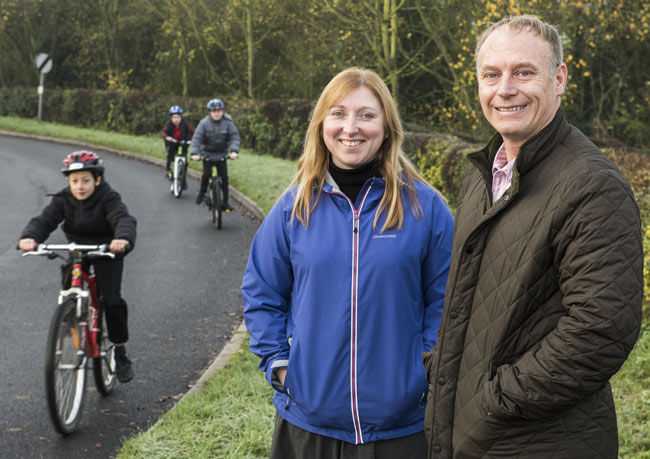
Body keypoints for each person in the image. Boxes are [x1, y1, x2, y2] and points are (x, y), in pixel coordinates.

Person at [423, 15, 643, 458]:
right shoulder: (482, 174)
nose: (505, 88)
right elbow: (473, 300)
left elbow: (600, 332)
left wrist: (493, 401)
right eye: (491, 75)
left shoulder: (591, 185)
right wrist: (442, 370)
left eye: (523, 72)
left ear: (558, 79)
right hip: (473, 434)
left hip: (537, 441)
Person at [242, 67, 454, 459]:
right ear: (322, 123)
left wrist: (422, 371)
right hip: (309, 421)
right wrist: (280, 364)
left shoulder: (426, 208)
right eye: (338, 113)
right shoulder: (294, 208)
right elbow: (262, 292)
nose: (350, 128)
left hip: (403, 427)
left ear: (387, 127)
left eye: (366, 115)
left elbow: (448, 301)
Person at [19, 151, 138, 383]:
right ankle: (72, 319)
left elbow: (123, 218)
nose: (80, 186)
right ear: (68, 182)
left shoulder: (108, 197)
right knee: (68, 290)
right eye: (74, 181)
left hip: (107, 249)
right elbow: (45, 220)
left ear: (97, 180)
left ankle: (119, 350)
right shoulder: (64, 199)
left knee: (112, 300)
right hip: (78, 249)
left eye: (85, 180)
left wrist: (122, 238)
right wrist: (30, 237)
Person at [190, 98, 240, 211]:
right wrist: (194, 153)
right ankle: (202, 193)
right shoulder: (204, 123)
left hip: (222, 154)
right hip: (207, 154)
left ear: (222, 112)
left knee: (225, 178)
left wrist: (233, 151)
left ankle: (225, 202)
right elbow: (197, 139)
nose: (217, 114)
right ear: (210, 112)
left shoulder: (228, 122)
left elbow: (234, 137)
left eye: (219, 111)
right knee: (206, 175)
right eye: (214, 111)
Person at [160, 105, 195, 187]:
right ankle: (169, 169)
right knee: (171, 155)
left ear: (181, 117)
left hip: (183, 142)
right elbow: (163, 132)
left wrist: (197, 137)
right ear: (171, 118)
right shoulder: (168, 124)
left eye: (178, 117)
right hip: (173, 142)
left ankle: (183, 180)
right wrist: (166, 137)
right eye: (174, 118)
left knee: (184, 161)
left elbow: (193, 130)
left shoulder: (185, 123)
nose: (176, 120)